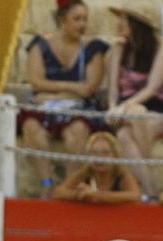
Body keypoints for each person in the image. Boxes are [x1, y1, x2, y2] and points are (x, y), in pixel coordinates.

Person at [19, 0, 108, 196]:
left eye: (85, 19)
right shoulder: (40, 45)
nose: (82, 24)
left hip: (79, 107)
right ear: (62, 20)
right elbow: (36, 81)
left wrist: (52, 93)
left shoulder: (93, 48)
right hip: (45, 108)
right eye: (77, 19)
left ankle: (69, 185)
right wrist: (71, 87)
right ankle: (46, 182)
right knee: (31, 126)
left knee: (77, 130)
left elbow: (89, 88)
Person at [104, 3, 163, 200]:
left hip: (154, 108)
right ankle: (151, 191)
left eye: (124, 18)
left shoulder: (162, 48)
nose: (119, 23)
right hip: (124, 109)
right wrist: (113, 107)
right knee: (126, 130)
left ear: (138, 24)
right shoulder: (118, 48)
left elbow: (152, 88)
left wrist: (125, 108)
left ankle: (147, 189)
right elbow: (113, 88)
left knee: (128, 132)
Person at [51, 129, 143, 202]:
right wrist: (80, 195)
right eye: (94, 153)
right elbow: (58, 192)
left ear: (115, 156)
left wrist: (97, 195)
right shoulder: (85, 172)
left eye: (105, 153)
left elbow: (135, 196)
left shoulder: (121, 174)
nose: (99, 158)